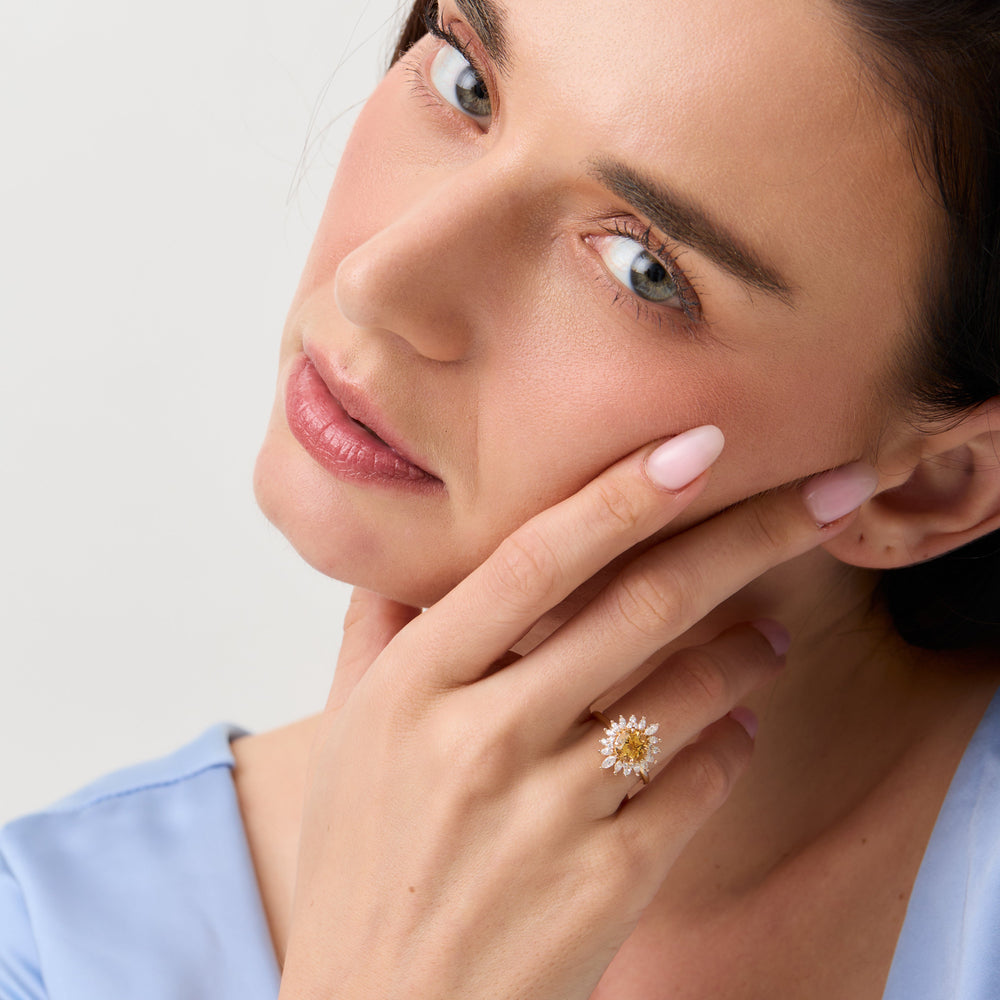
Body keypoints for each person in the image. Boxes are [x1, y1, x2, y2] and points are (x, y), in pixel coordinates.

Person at [2, 0, 999, 997]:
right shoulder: (48, 941)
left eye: (640, 267)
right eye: (464, 82)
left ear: (929, 485)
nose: (377, 281)